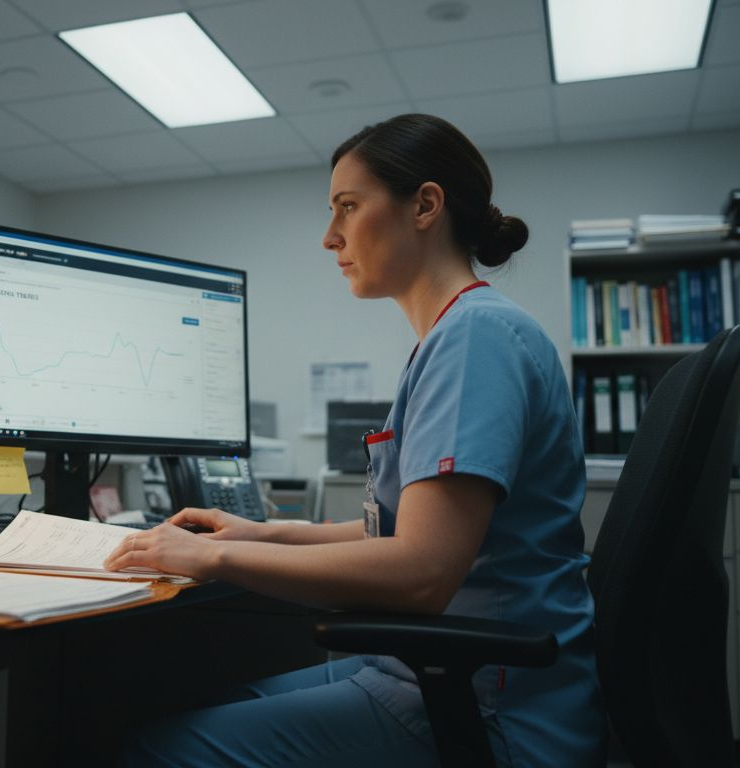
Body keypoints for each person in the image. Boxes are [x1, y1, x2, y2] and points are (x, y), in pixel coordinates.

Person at [104, 114, 605, 767]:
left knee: (155, 750)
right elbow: (393, 535)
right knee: (222, 699)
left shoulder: (474, 340)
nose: (329, 237)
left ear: (425, 205)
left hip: (490, 710)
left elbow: (421, 571)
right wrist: (254, 533)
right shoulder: (459, 335)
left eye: (347, 207)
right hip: (444, 674)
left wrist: (213, 560)